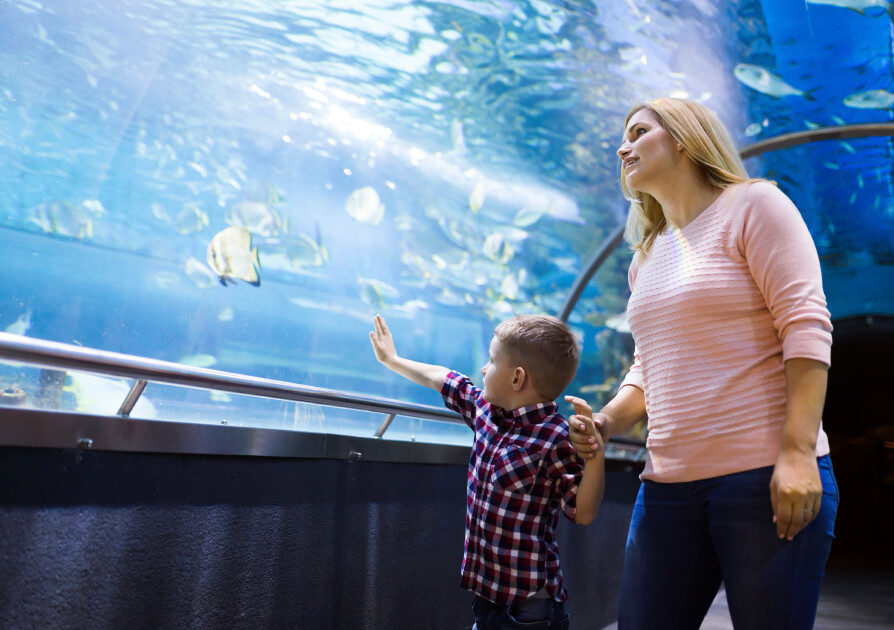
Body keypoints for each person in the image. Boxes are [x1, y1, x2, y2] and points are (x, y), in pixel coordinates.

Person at [567, 97, 838, 630]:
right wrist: (605, 422)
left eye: (639, 131)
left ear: (685, 139)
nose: (622, 147)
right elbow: (650, 367)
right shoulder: (646, 257)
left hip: (762, 478)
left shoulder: (756, 205)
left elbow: (805, 327)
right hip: (665, 486)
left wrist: (798, 453)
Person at [369, 313, 605, 630]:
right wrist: (392, 360)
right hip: (487, 599)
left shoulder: (555, 439)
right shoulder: (485, 411)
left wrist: (594, 455)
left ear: (517, 379)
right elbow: (442, 378)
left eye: (492, 360)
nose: (483, 368)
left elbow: (583, 512)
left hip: (530, 610)